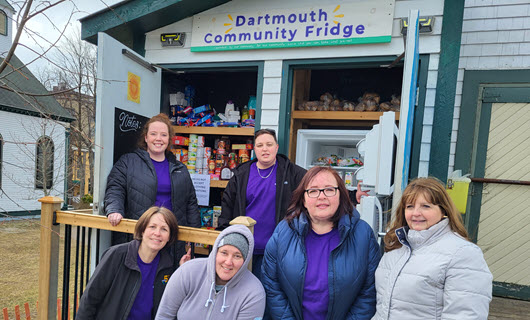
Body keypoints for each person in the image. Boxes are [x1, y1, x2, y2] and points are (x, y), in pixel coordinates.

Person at [262, 166, 381, 320]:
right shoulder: (283, 232)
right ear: (303, 200)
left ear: (341, 195)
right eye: (313, 191)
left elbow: (369, 292)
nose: (321, 196)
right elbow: (272, 284)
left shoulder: (363, 234)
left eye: (329, 189)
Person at [372, 177, 492, 320]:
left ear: (443, 210)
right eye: (410, 206)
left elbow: (466, 314)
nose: (416, 213)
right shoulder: (396, 248)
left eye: (426, 206)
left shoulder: (463, 253)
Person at [104, 113, 200, 251]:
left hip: (171, 240)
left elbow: (191, 203)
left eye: (163, 135)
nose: (158, 139)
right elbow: (115, 188)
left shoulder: (180, 168)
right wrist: (114, 210)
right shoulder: (128, 162)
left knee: (168, 272)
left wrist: (194, 238)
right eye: (153, 134)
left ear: (169, 139)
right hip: (139, 237)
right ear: (146, 137)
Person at [220, 128, 306, 279]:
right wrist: (223, 243)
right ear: (254, 149)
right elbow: (227, 207)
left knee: (268, 295)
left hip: (276, 251)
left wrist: (352, 195)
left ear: (277, 147)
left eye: (269, 144)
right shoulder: (241, 174)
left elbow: (319, 186)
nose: (265, 149)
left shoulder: (292, 173)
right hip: (244, 250)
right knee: (242, 295)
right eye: (260, 145)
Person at [77, 207, 185, 320]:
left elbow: (173, 307)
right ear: (142, 230)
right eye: (152, 227)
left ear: (169, 237)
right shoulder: (116, 255)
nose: (157, 233)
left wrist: (183, 271)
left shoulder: (168, 265)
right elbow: (90, 298)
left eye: (164, 229)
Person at [155, 224, 266, 320]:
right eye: (224, 253)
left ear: (245, 261)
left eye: (237, 256)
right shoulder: (188, 272)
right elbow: (164, 315)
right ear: (215, 253)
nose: (228, 262)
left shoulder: (253, 293)